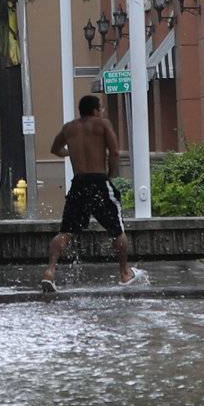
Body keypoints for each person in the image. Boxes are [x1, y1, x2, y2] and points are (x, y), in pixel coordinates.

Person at [41, 93, 135, 294]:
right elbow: (115, 152)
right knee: (118, 229)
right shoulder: (102, 124)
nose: (101, 111)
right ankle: (125, 273)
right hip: (98, 181)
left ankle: (50, 271)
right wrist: (110, 173)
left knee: (65, 231)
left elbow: (55, 149)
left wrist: (72, 153)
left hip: (79, 183)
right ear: (95, 109)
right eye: (100, 108)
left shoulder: (69, 128)